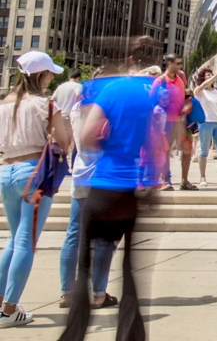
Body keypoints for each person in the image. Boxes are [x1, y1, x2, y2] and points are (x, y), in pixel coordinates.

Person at [60, 35, 166, 341]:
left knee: (84, 266)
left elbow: (90, 138)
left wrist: (107, 137)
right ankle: (130, 336)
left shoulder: (112, 90)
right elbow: (161, 141)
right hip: (133, 189)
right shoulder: (155, 92)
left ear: (127, 61)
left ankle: (74, 333)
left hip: (104, 185)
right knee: (131, 271)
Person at [0, 50, 66, 327]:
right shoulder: (45, 105)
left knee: (14, 240)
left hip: (6, 171)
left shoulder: (4, 103)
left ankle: (4, 303)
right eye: (50, 73)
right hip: (33, 175)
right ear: (41, 76)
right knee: (26, 241)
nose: (51, 77)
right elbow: (65, 141)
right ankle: (9, 309)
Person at [53, 69, 114, 314]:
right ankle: (98, 294)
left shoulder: (77, 109)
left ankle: (67, 291)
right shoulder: (106, 111)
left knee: (74, 234)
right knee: (104, 238)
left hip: (81, 175)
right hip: (105, 179)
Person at [193, 66, 217, 187]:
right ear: (203, 78)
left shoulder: (216, 90)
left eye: (211, 74)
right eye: (208, 75)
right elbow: (201, 88)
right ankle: (202, 177)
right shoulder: (200, 91)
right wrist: (215, 76)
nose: (210, 76)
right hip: (206, 123)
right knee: (204, 151)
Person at [159, 55, 191, 190]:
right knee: (165, 151)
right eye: (177, 64)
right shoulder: (160, 81)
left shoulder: (181, 79)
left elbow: (186, 97)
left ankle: (184, 181)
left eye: (180, 64)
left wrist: (187, 105)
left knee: (187, 150)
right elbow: (152, 101)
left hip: (181, 121)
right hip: (166, 122)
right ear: (169, 64)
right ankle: (165, 180)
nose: (180, 66)